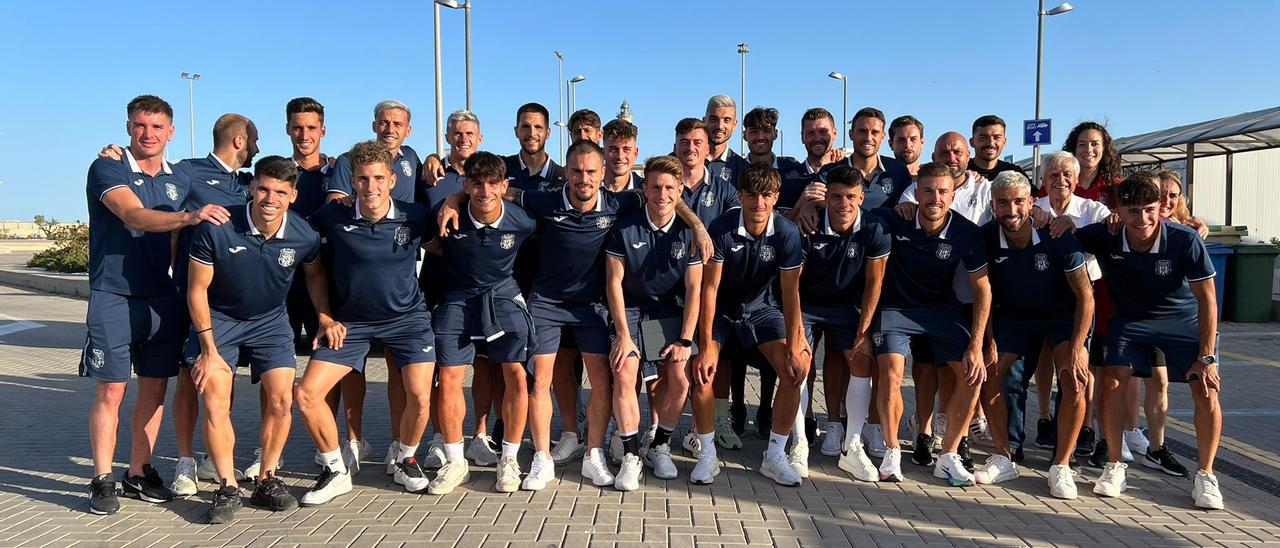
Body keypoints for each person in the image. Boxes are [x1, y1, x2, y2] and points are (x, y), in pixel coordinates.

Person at [83, 95, 230, 515]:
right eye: (140, 126)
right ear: (128, 127)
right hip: (113, 294)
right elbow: (133, 215)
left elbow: (233, 190)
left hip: (162, 297)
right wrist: (189, 218)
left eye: (156, 127)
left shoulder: (179, 178)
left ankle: (138, 471)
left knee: (155, 389)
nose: (147, 134)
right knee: (112, 390)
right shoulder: (107, 167)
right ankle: (102, 479)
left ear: (171, 132)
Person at [294, 141, 440, 505]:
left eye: (378, 178)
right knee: (306, 394)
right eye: (362, 179)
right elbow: (307, 259)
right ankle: (334, 470)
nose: (370, 186)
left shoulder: (415, 215)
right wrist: (325, 317)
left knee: (421, 397)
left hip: (408, 321)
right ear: (353, 181)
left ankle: (405, 459)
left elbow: (447, 243)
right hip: (350, 324)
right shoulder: (331, 216)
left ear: (391, 179)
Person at [184, 156, 327, 522]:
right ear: (252, 187)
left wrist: (324, 315)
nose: (270, 198)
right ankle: (227, 486)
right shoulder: (218, 227)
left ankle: (267, 478)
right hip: (219, 320)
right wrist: (208, 349)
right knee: (216, 400)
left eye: (280, 191)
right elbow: (196, 290)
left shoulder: (304, 235)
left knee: (282, 399)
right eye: (263, 188)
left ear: (292, 195)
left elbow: (313, 274)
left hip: (270, 320)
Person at [1071, 172, 1223, 510]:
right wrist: (1056, 220)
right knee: (1111, 382)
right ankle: (1114, 465)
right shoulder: (1105, 234)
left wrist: (1207, 357)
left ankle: (1206, 476)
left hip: (1183, 321)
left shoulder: (1185, 240)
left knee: (1206, 387)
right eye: (1134, 210)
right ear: (1118, 211)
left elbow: (1208, 300)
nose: (1144, 219)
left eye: (1151, 209)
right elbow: (1065, 236)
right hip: (1132, 321)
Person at [868, 162, 991, 486]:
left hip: (941, 310)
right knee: (892, 373)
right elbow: (849, 211)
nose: (934, 198)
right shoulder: (896, 218)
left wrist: (976, 344)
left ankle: (948, 456)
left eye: (942, 191)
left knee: (972, 373)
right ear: (916, 192)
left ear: (953, 194)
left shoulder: (967, 232)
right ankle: (892, 451)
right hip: (896, 309)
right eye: (928, 191)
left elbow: (983, 289)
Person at [977, 171, 1093, 498]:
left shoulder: (1056, 234)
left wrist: (1080, 345)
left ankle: (1061, 465)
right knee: (991, 373)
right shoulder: (985, 238)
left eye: (1018, 201)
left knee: (1073, 377)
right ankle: (1005, 455)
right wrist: (987, 342)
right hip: (1014, 316)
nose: (1011, 210)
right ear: (993, 205)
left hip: (1062, 316)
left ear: (1031, 203)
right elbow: (981, 293)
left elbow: (1085, 294)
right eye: (1003, 203)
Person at [696, 163, 810, 487]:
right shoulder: (721, 227)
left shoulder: (787, 233)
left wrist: (797, 342)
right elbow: (709, 289)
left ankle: (774, 455)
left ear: (775, 197)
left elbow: (791, 293)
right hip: (721, 310)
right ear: (741, 195)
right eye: (751, 195)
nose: (758, 203)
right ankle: (707, 455)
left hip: (761, 308)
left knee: (795, 368)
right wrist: (705, 347)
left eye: (765, 196)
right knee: (701, 369)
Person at [430, 151, 537, 494]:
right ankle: (455, 461)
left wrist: (454, 195)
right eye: (476, 183)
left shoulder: (523, 220)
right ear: (466, 184)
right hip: (458, 297)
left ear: (505, 186)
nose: (485, 191)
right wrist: (451, 199)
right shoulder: (448, 218)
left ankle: (508, 459)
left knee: (516, 375)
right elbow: (427, 244)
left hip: (503, 296)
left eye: (493, 183)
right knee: (448, 378)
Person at [603, 155, 704, 489]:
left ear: (680, 192)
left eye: (670, 188)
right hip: (630, 310)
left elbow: (693, 290)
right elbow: (613, 284)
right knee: (624, 370)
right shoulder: (624, 228)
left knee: (680, 380)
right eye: (656, 186)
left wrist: (686, 341)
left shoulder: (690, 233)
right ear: (644, 188)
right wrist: (623, 335)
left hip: (668, 313)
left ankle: (659, 445)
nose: (663, 194)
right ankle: (631, 454)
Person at [796, 165, 890, 481]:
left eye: (851, 196)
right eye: (836, 196)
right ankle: (798, 445)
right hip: (808, 304)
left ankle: (851, 445)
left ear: (861, 197)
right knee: (798, 363)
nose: (844, 204)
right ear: (827, 197)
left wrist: (863, 333)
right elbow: (791, 283)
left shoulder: (874, 229)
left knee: (861, 359)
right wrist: (795, 330)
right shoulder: (807, 224)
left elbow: (874, 284)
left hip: (848, 306)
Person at [284, 98, 330, 358]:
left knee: (326, 356)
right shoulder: (276, 174)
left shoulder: (339, 174)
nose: (304, 135)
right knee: (274, 365)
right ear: (288, 129)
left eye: (311, 128)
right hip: (283, 281)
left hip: (323, 279)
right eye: (298, 128)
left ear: (322, 130)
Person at [326, 100, 421, 204]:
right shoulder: (349, 160)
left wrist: (433, 157)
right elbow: (334, 203)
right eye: (384, 123)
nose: (390, 130)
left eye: (397, 124)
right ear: (374, 126)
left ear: (408, 130)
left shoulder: (410, 155)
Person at [703, 95, 751, 188]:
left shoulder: (742, 168)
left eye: (726, 120)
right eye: (714, 119)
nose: (720, 126)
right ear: (704, 121)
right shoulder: (685, 161)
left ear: (734, 125)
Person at [967, 115, 1028, 185]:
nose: (991, 143)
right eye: (984, 137)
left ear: (1004, 142)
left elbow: (1037, 195)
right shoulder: (962, 171)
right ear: (972, 142)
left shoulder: (1014, 173)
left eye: (996, 137)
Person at [602, 119, 645, 192]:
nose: (620, 156)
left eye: (626, 150)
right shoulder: (589, 189)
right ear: (603, 153)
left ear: (635, 153)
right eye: (613, 149)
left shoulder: (648, 191)